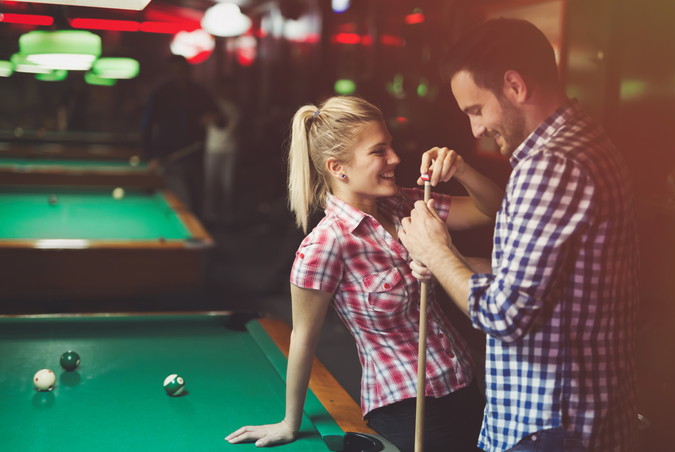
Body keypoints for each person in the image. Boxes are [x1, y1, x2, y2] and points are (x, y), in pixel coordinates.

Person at [398, 18, 639, 452]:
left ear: (514, 85)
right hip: (572, 423)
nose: (475, 129)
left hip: (547, 429)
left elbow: (504, 313)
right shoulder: (585, 141)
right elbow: (543, 283)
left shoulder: (550, 166)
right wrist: (454, 262)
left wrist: (436, 251)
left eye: (476, 110)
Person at [225, 95, 503, 451]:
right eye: (379, 151)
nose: (395, 159)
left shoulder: (406, 204)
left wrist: (461, 169)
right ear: (339, 168)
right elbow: (303, 338)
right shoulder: (325, 245)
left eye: (391, 147)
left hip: (466, 383)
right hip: (408, 406)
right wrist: (289, 422)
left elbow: (492, 209)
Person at [141, 54, 223, 216]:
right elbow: (147, 125)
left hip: (196, 156)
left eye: (183, 70)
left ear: (189, 71)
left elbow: (221, 121)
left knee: (197, 201)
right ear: (170, 72)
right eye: (176, 71)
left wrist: (214, 118)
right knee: (182, 202)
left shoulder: (200, 93)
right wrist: (150, 155)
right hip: (169, 157)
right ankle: (188, 239)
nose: (180, 74)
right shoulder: (160, 93)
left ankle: (198, 236)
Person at [203, 79, 242, 224]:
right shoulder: (213, 105)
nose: (227, 90)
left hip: (231, 149)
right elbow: (204, 120)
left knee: (228, 185)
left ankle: (227, 217)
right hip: (213, 148)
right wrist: (212, 117)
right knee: (211, 184)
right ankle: (210, 216)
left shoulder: (237, 106)